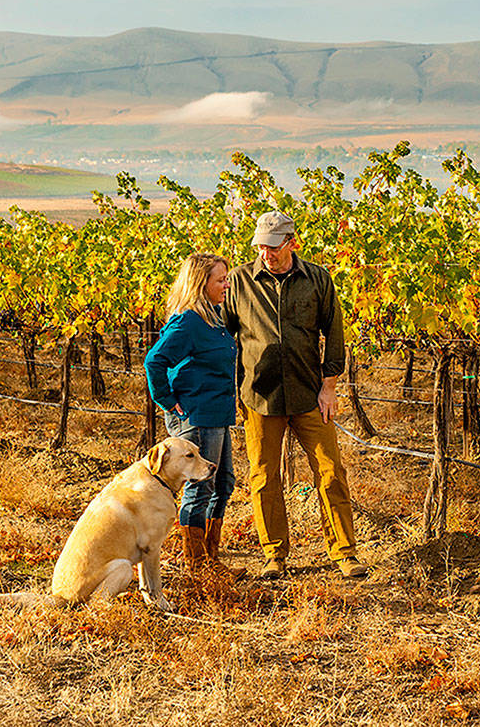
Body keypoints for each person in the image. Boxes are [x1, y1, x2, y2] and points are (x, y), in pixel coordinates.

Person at [224, 210, 366, 580]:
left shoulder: (317, 278)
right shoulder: (239, 281)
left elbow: (333, 333)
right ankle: (274, 554)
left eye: (273, 247)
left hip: (309, 393)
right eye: (260, 247)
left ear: (292, 243)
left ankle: (344, 552)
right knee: (263, 477)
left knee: (331, 471)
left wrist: (330, 385)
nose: (266, 254)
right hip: (260, 396)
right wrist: (231, 389)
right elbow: (224, 337)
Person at [144, 252, 242, 578]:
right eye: (220, 280)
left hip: (217, 414)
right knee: (200, 488)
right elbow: (154, 363)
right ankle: (198, 567)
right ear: (202, 284)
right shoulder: (187, 322)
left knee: (222, 484)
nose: (226, 284)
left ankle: (210, 559)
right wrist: (168, 402)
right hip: (197, 418)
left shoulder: (213, 317)